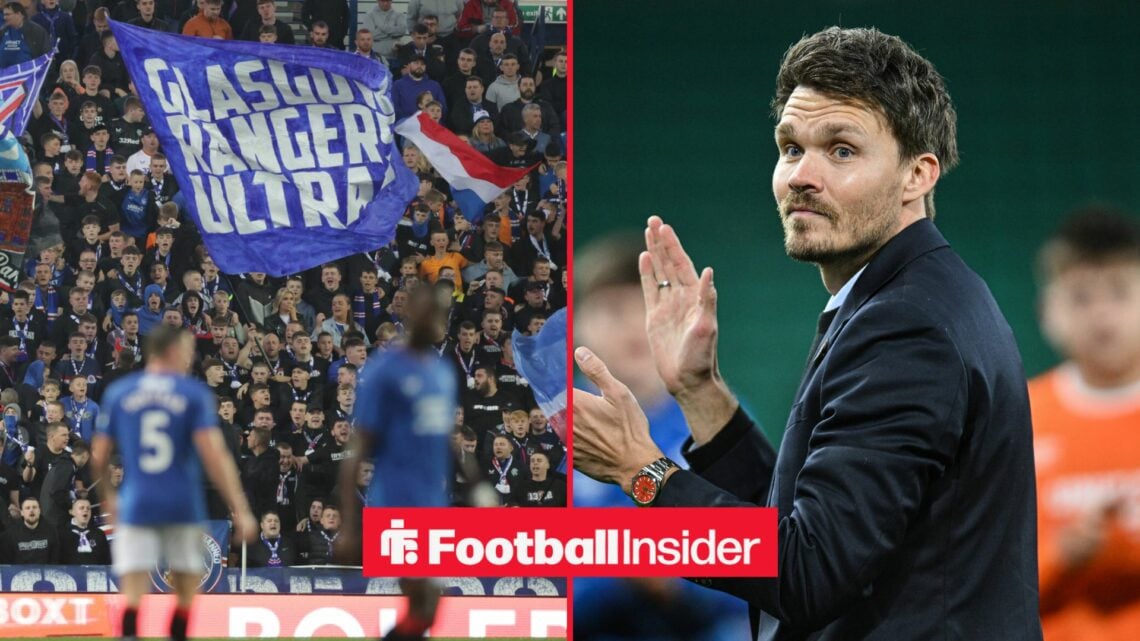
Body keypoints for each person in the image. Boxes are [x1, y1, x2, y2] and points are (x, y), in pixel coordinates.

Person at [571, 27, 1042, 641]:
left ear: (917, 174)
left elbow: (806, 574)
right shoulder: (905, 297)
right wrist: (700, 391)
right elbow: (798, 524)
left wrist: (642, 471)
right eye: (791, 147)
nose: (801, 175)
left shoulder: (908, 325)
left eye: (841, 150)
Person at [91, 325, 256, 641]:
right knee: (187, 577)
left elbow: (98, 456)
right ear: (170, 351)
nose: (190, 357)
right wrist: (240, 508)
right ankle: (178, 631)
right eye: (186, 350)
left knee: (135, 577)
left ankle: (129, 632)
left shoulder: (120, 392)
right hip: (183, 500)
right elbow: (215, 456)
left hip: (137, 500)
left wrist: (107, 496)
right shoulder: (192, 394)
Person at [1029, 208, 1140, 641]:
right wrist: (1062, 554)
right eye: (1080, 297)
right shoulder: (1019, 417)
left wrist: (1124, 552)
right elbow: (978, 570)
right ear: (1046, 312)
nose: (1101, 315)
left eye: (1119, 291)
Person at [339, 286, 457, 640]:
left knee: (427, 611)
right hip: (398, 499)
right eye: (429, 312)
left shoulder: (442, 373)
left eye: (441, 313)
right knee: (423, 600)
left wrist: (478, 482)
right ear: (411, 314)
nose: (435, 320)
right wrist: (349, 522)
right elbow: (358, 449)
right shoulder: (384, 370)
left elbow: (444, 437)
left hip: (433, 502)